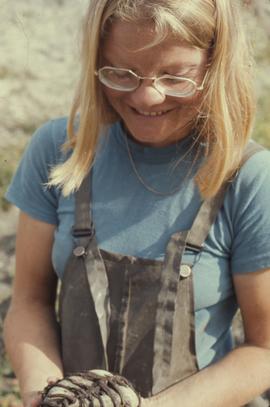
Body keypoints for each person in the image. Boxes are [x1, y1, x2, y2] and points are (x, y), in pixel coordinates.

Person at [3, 1, 270, 406]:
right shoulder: (59, 152)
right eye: (121, 74)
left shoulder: (248, 179)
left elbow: (263, 349)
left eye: (175, 76)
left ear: (216, 64)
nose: (147, 97)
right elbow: (29, 303)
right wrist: (48, 395)